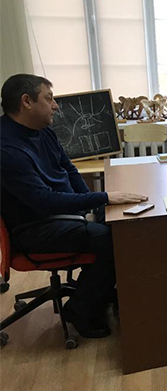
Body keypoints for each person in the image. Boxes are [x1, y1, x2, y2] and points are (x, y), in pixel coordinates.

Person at [0, 74, 147, 338]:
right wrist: (102, 198)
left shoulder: (42, 129)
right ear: (26, 102)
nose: (56, 105)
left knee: (116, 223)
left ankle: (94, 292)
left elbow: (68, 169)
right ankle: (80, 310)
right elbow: (44, 202)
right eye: (49, 98)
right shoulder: (6, 149)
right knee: (112, 239)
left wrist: (94, 204)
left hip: (60, 215)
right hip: (34, 229)